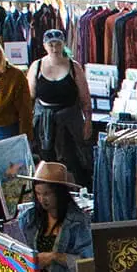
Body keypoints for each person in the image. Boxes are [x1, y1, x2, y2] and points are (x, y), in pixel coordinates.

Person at [29, 30, 95, 185]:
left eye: (58, 43)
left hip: (70, 123)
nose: (54, 47)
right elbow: (30, 97)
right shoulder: (36, 66)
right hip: (44, 125)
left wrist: (88, 122)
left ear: (63, 44)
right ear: (45, 46)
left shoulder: (74, 67)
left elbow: (85, 98)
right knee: (47, 164)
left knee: (75, 163)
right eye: (50, 44)